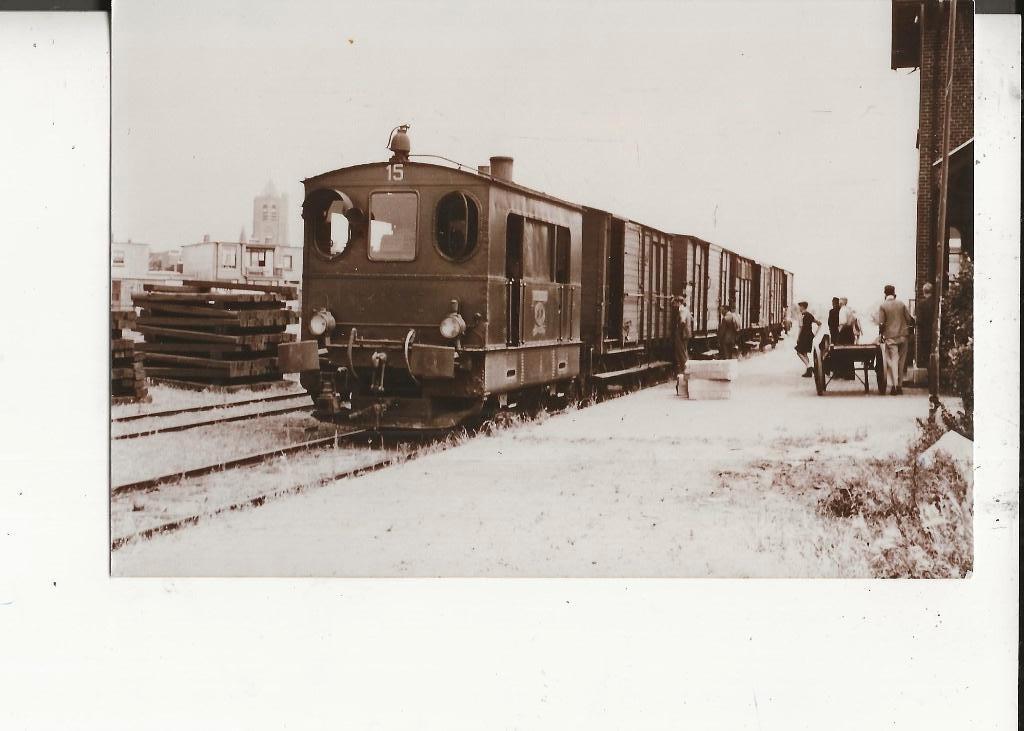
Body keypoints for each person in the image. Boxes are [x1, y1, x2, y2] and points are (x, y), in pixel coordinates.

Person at [878, 284, 914, 395]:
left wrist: (881, 335)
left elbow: (881, 323)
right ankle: (900, 386)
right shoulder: (901, 304)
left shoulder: (883, 306)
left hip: (890, 337)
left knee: (893, 360)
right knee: (901, 362)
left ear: (885, 293)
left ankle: (894, 386)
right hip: (903, 336)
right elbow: (909, 320)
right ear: (894, 293)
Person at [794, 301, 819, 377]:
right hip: (809, 336)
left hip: (803, 335)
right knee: (804, 353)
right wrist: (814, 334)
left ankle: (809, 366)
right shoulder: (810, 315)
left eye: (800, 306)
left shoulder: (801, 315)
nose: (799, 308)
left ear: (802, 307)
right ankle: (808, 372)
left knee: (799, 352)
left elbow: (801, 327)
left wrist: (798, 337)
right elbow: (819, 323)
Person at [915, 282, 935, 370]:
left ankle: (930, 377)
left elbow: (919, 321)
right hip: (935, 332)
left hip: (925, 334)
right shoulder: (936, 303)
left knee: (926, 356)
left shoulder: (921, 304)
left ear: (923, 292)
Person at [835, 297, 856, 378]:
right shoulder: (849, 310)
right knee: (849, 353)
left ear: (842, 302)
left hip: (844, 332)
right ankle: (850, 374)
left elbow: (842, 323)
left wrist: (839, 332)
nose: (839, 303)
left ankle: (841, 373)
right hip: (850, 332)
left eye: (840, 301)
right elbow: (854, 320)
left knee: (841, 352)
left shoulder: (842, 310)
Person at [673, 294, 693, 375]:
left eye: (674, 302)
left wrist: (679, 330)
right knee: (684, 352)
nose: (674, 304)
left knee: (681, 353)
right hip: (686, 334)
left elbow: (682, 321)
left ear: (678, 303)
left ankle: (685, 371)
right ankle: (686, 370)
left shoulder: (681, 310)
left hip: (681, 334)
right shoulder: (686, 309)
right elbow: (692, 319)